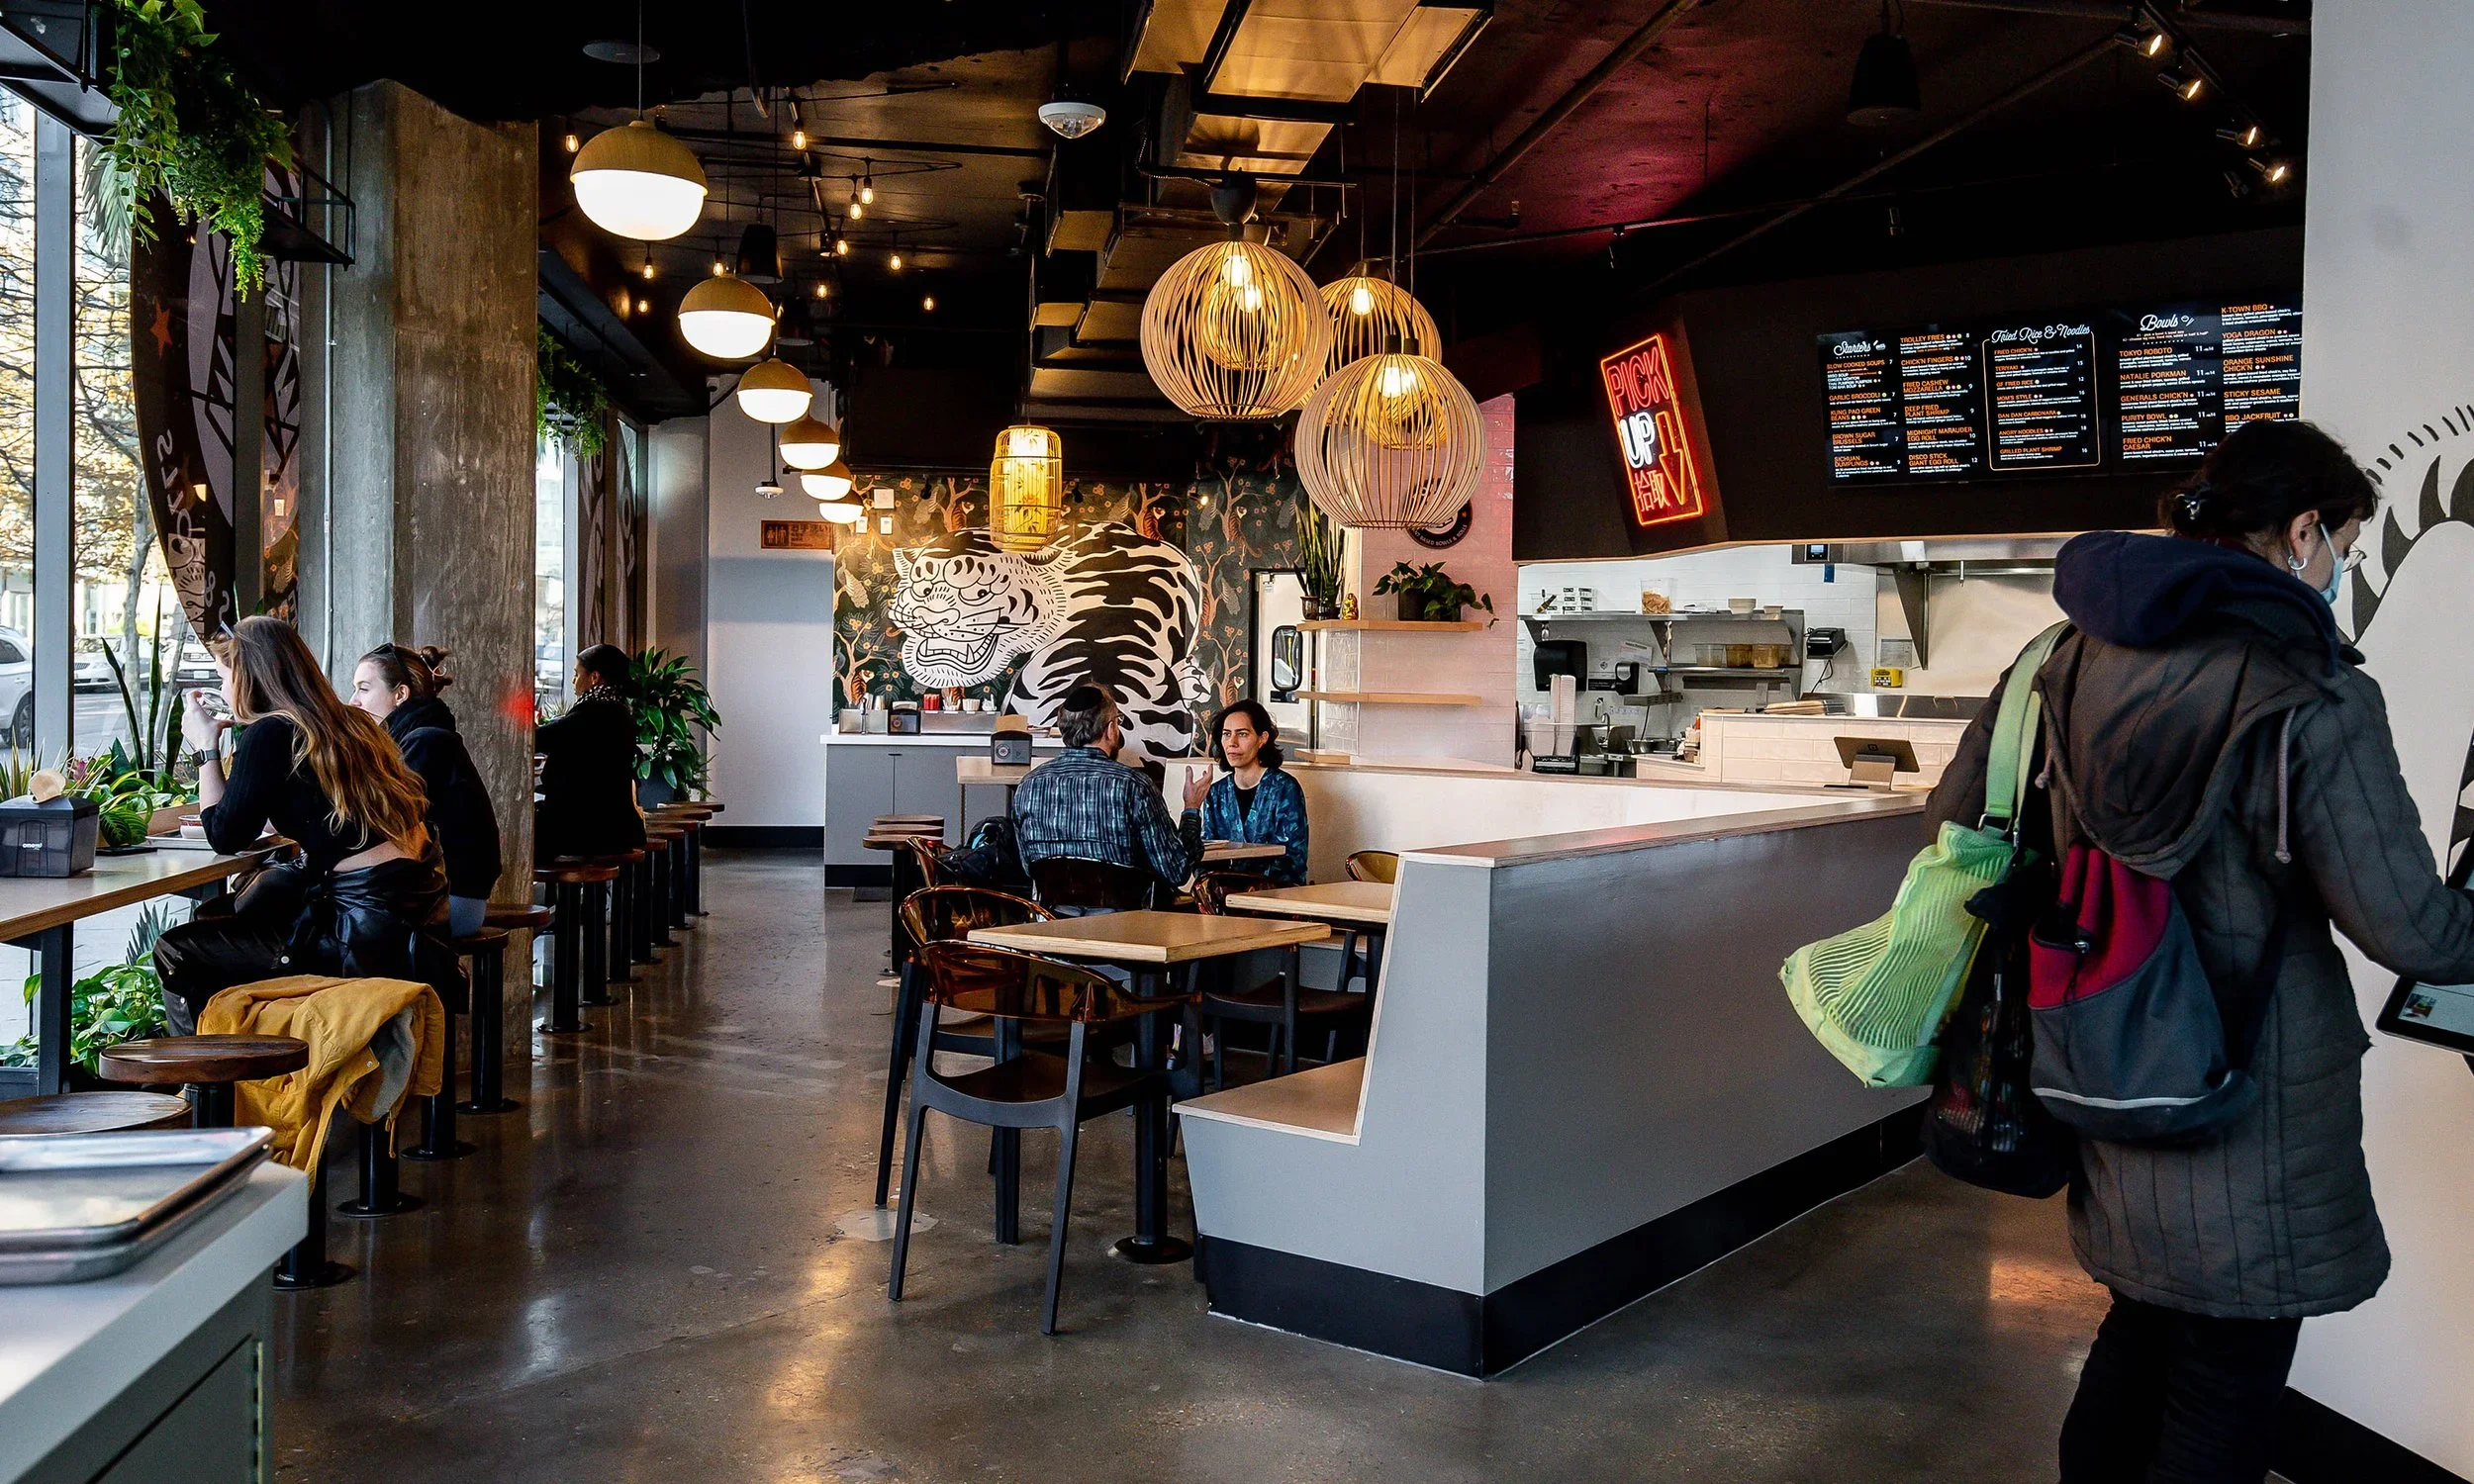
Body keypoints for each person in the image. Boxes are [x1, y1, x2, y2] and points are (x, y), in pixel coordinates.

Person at [1925, 418, 2474, 1484]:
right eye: (2343, 543)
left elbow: (1956, 828)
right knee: (2225, 1380)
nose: (2338, 565)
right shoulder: (2308, 689)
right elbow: (2410, 927)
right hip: (2248, 1095)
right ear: (2303, 531)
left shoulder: (2054, 662)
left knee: (2141, 1326)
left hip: (2093, 1057)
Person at [153, 616, 452, 1031]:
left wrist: (206, 748)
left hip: (357, 932)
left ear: (248, 678)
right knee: (233, 917)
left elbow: (225, 835)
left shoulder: (271, 733)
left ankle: (216, 1069)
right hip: (409, 908)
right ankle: (251, 1059)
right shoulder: (350, 722)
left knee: (178, 948)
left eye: (224, 677)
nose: (223, 688)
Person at [349, 643, 504, 937]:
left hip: (450, 903)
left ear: (400, 694)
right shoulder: (412, 737)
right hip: (434, 892)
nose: (353, 701)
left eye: (364, 689)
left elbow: (382, 819)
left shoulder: (426, 741)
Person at [1010, 684, 1191, 895]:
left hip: (1049, 914)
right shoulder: (1134, 786)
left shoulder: (1028, 785)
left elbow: (1028, 868)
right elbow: (1176, 872)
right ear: (1110, 729)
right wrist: (1192, 810)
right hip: (1125, 915)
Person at [534, 642, 645, 863]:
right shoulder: (620, 710)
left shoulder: (593, 713)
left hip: (584, 829)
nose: (573, 680)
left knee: (514, 835)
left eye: (577, 674)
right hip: (617, 828)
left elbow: (538, 739)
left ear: (594, 677)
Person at [1180, 698, 1307, 884]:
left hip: (1275, 894)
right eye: (1226, 734)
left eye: (1242, 734)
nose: (1232, 742)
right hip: (1223, 894)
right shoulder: (1216, 793)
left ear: (1262, 738)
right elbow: (1204, 857)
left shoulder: (1284, 788)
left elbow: (1294, 860)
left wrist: (1244, 887)